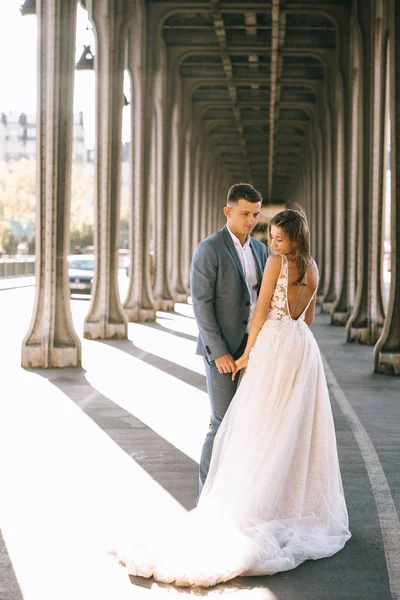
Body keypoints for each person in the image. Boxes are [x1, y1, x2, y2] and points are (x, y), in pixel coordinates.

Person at [112, 207, 351, 587]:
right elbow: (306, 319)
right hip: (302, 350)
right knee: (293, 428)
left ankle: (254, 501)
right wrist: (292, 334)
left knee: (260, 425)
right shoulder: (314, 269)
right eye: (270, 236)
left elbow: (259, 313)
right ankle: (289, 502)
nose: (272, 243)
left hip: (273, 346)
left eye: (278, 238)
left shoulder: (276, 262)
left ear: (293, 240)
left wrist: (245, 354)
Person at [190, 182, 268, 490]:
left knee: (250, 424)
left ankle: (236, 495)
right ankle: (205, 496)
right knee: (220, 423)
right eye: (245, 213)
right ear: (228, 211)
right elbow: (201, 304)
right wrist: (218, 352)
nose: (251, 220)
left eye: (255, 214)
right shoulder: (210, 248)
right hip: (221, 352)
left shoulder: (262, 250)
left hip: (254, 350)